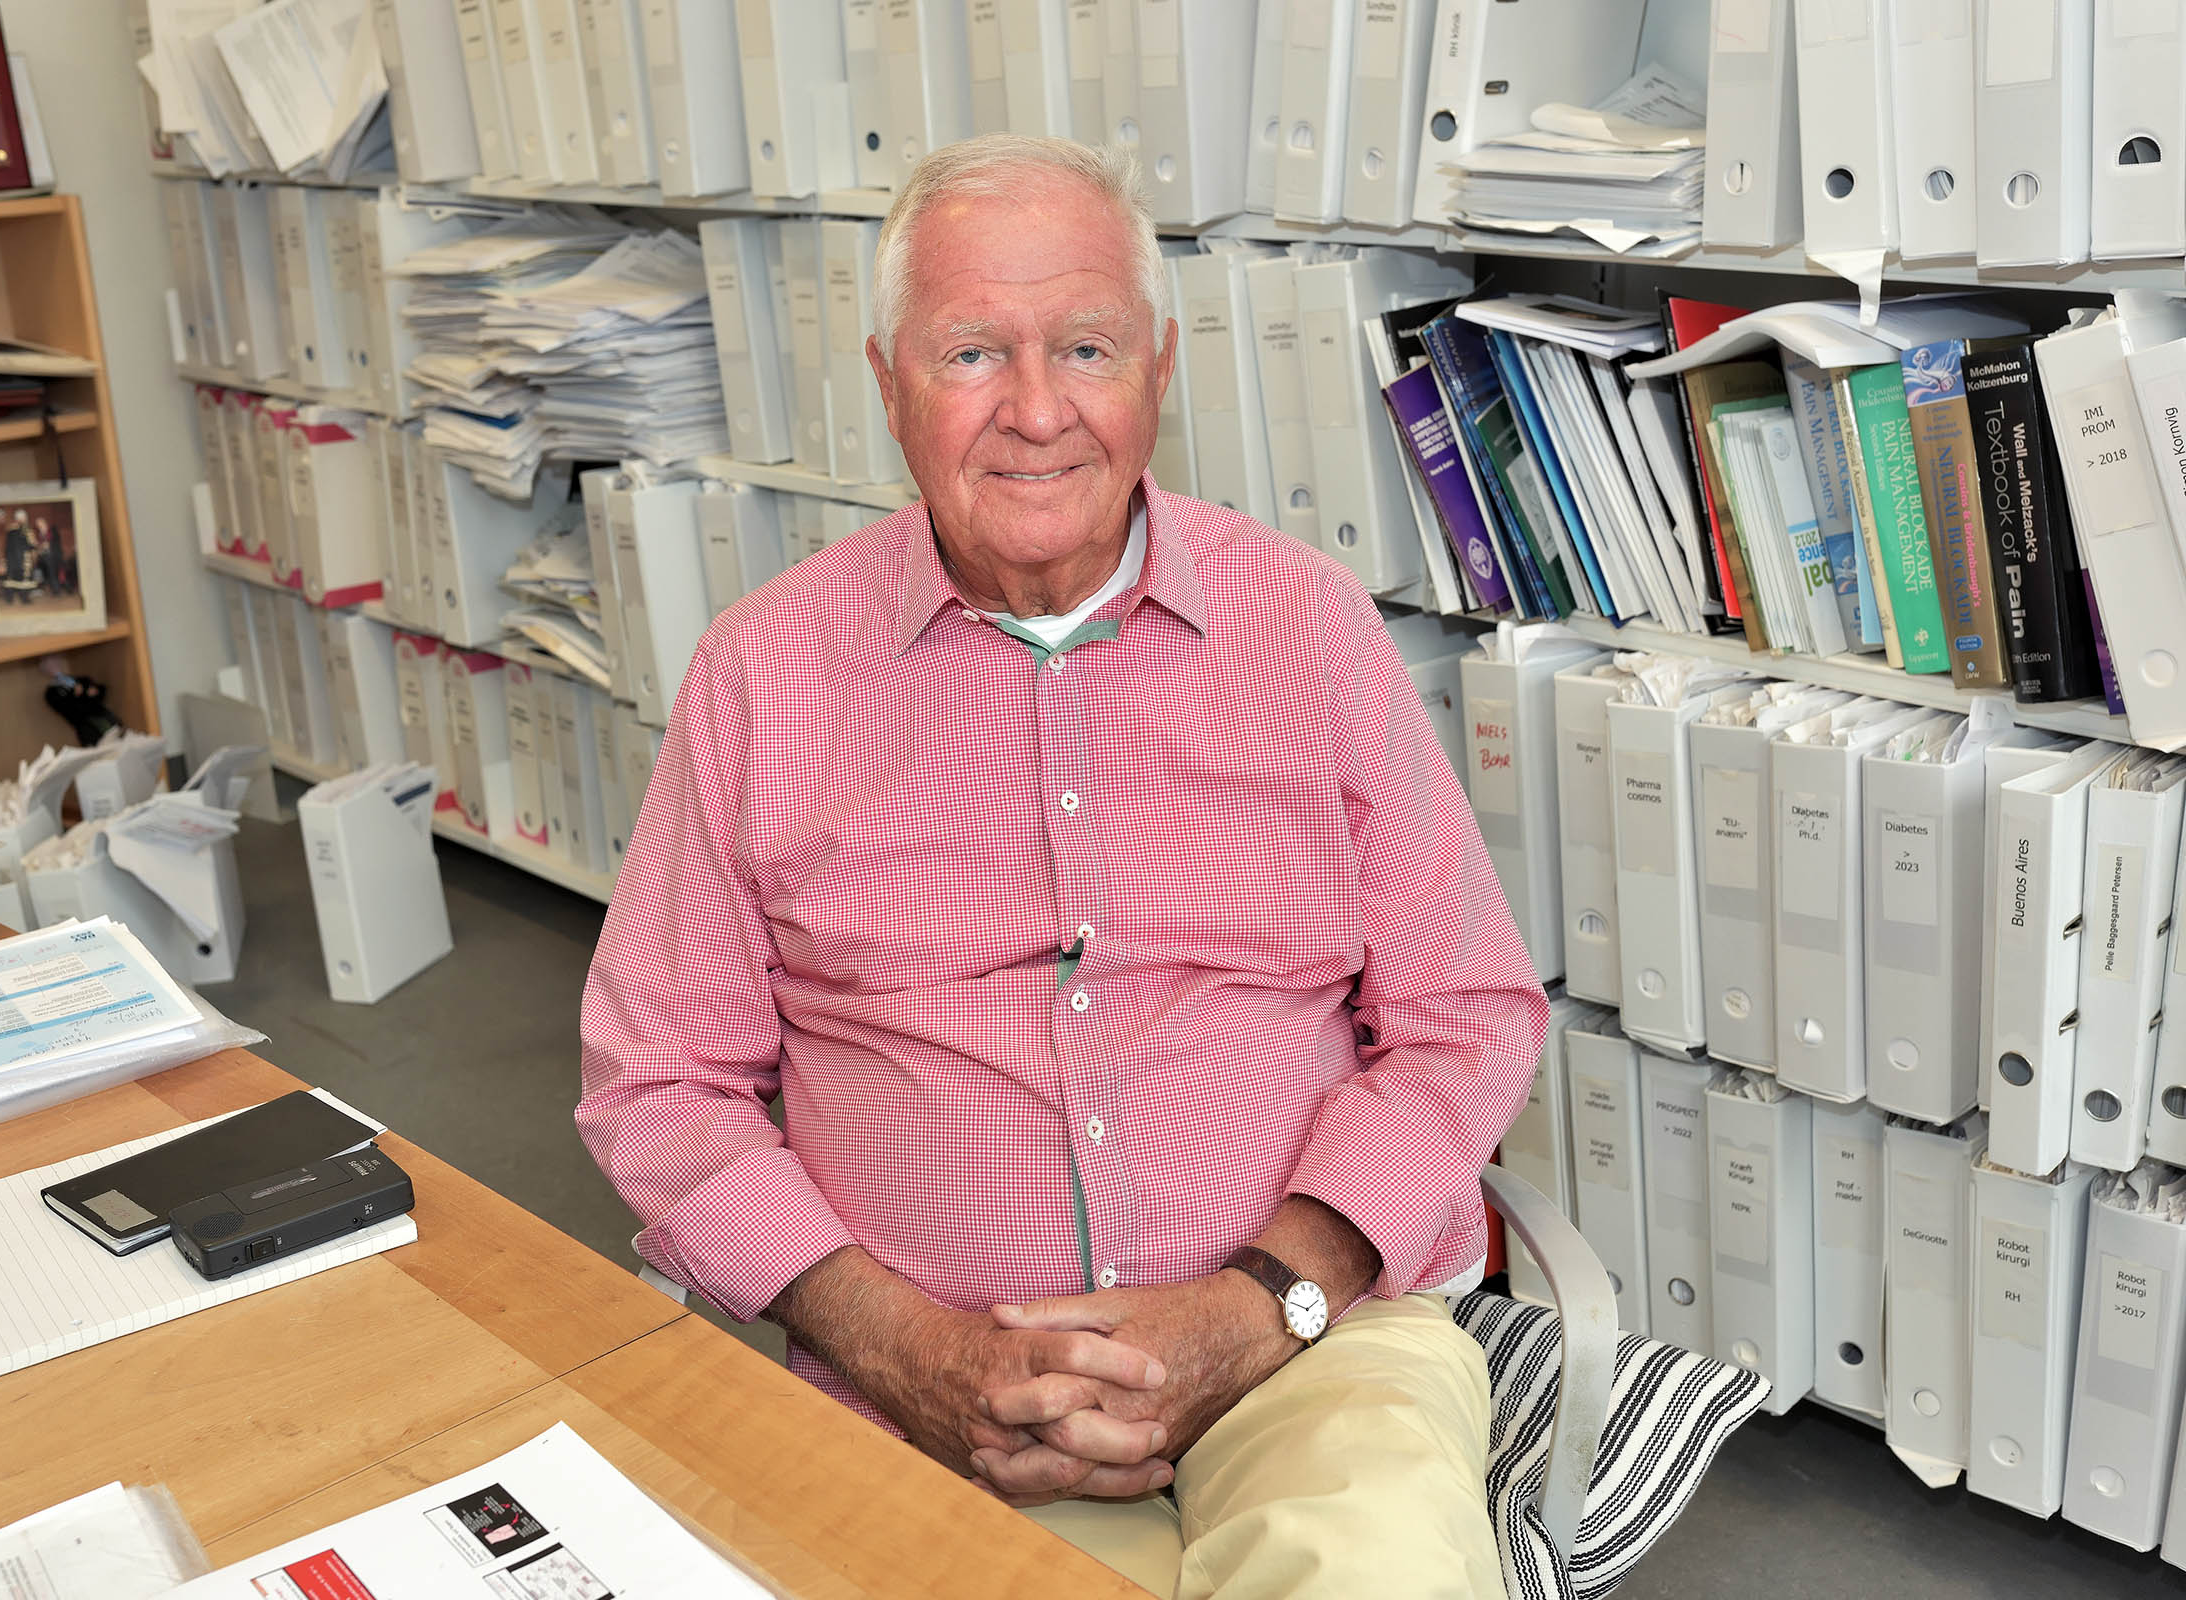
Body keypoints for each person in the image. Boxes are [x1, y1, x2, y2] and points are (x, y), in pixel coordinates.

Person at [577, 134, 1545, 1599]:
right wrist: (906, 1349)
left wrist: (1262, 1302)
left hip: (1305, 1350)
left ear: (1158, 366)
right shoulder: (763, 676)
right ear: (889, 382)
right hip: (932, 1389)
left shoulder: (1311, 632)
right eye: (971, 353)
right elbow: (658, 1084)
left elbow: (1465, 1016)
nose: (1036, 412)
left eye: (1084, 347)